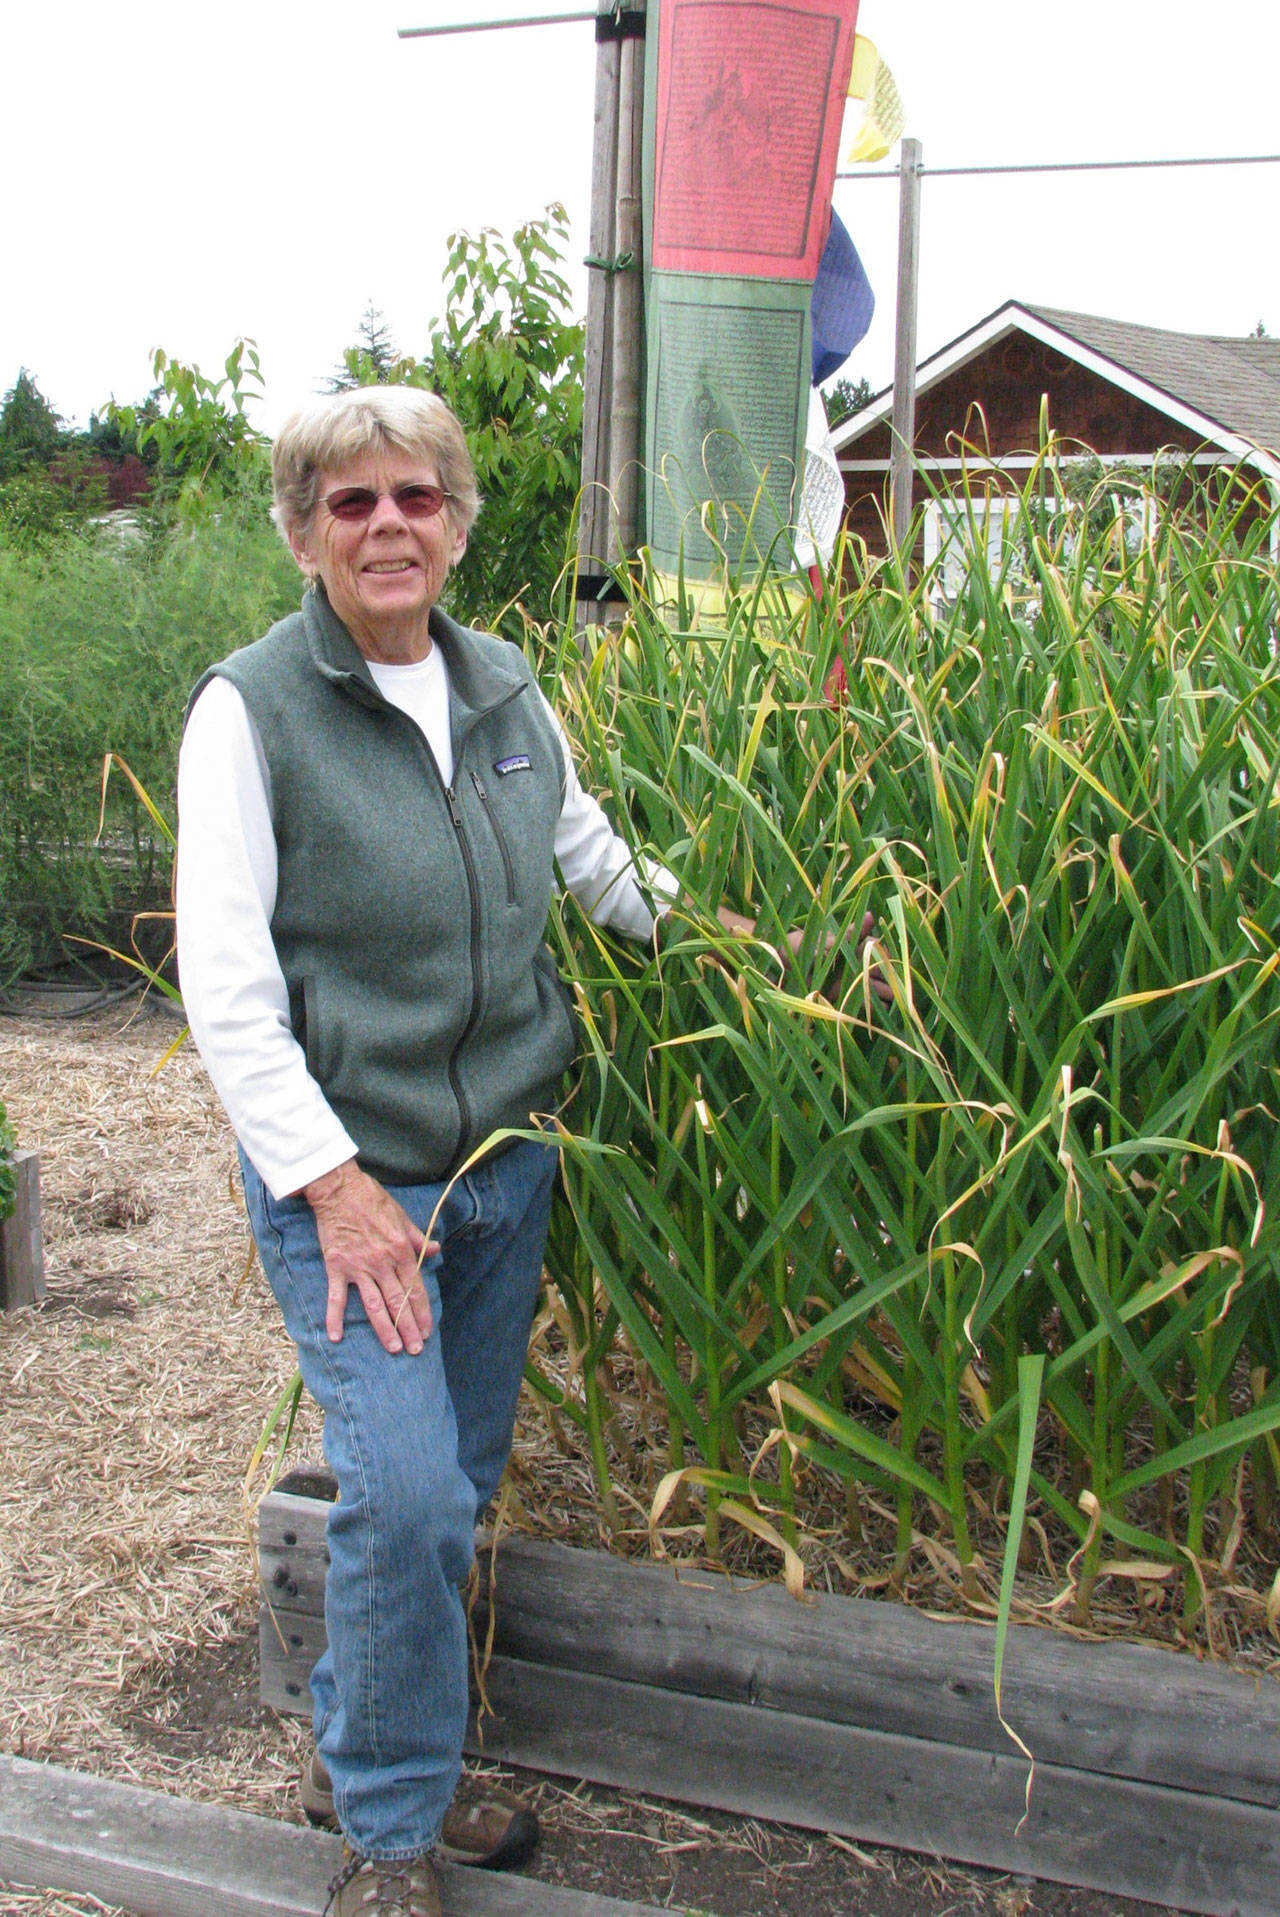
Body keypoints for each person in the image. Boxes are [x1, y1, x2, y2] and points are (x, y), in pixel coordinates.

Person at [174, 386, 681, 1917]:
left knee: (450, 1483)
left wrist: (769, 946)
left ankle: (360, 1746)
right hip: (359, 1179)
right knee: (402, 1493)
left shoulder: (510, 690)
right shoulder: (249, 712)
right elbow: (230, 989)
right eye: (350, 502)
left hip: (506, 1158)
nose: (386, 523)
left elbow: (594, 863)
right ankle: (391, 1835)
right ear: (307, 533)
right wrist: (334, 1190)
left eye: (414, 496)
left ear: (457, 521)